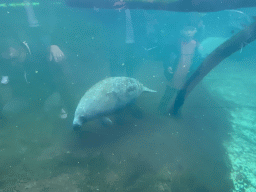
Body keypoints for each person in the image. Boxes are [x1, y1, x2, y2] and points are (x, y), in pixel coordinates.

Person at [158, 26, 202, 114]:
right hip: (176, 70)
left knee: (182, 93)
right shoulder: (176, 42)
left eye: (191, 29)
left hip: (187, 72)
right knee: (170, 90)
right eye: (186, 30)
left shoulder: (196, 44)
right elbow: (167, 54)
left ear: (195, 31)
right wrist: (168, 65)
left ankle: (176, 111)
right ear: (182, 31)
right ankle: (161, 108)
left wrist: (194, 70)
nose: (189, 32)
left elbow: (198, 58)